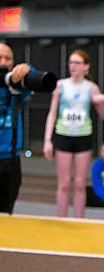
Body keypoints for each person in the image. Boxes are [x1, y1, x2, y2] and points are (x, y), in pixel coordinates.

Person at [43, 49, 104, 218]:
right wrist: (47, 140)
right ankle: (62, 219)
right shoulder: (60, 85)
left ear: (86, 66)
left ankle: (80, 219)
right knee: (64, 183)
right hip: (63, 135)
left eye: (77, 62)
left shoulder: (91, 87)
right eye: (71, 62)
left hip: (83, 136)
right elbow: (52, 113)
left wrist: (103, 103)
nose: (73, 66)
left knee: (80, 183)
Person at [0, 43, 31, 214]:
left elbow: (34, 77)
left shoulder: (17, 86)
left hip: (11, 159)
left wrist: (26, 68)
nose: (3, 62)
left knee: (6, 211)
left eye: (8, 58)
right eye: (0, 58)